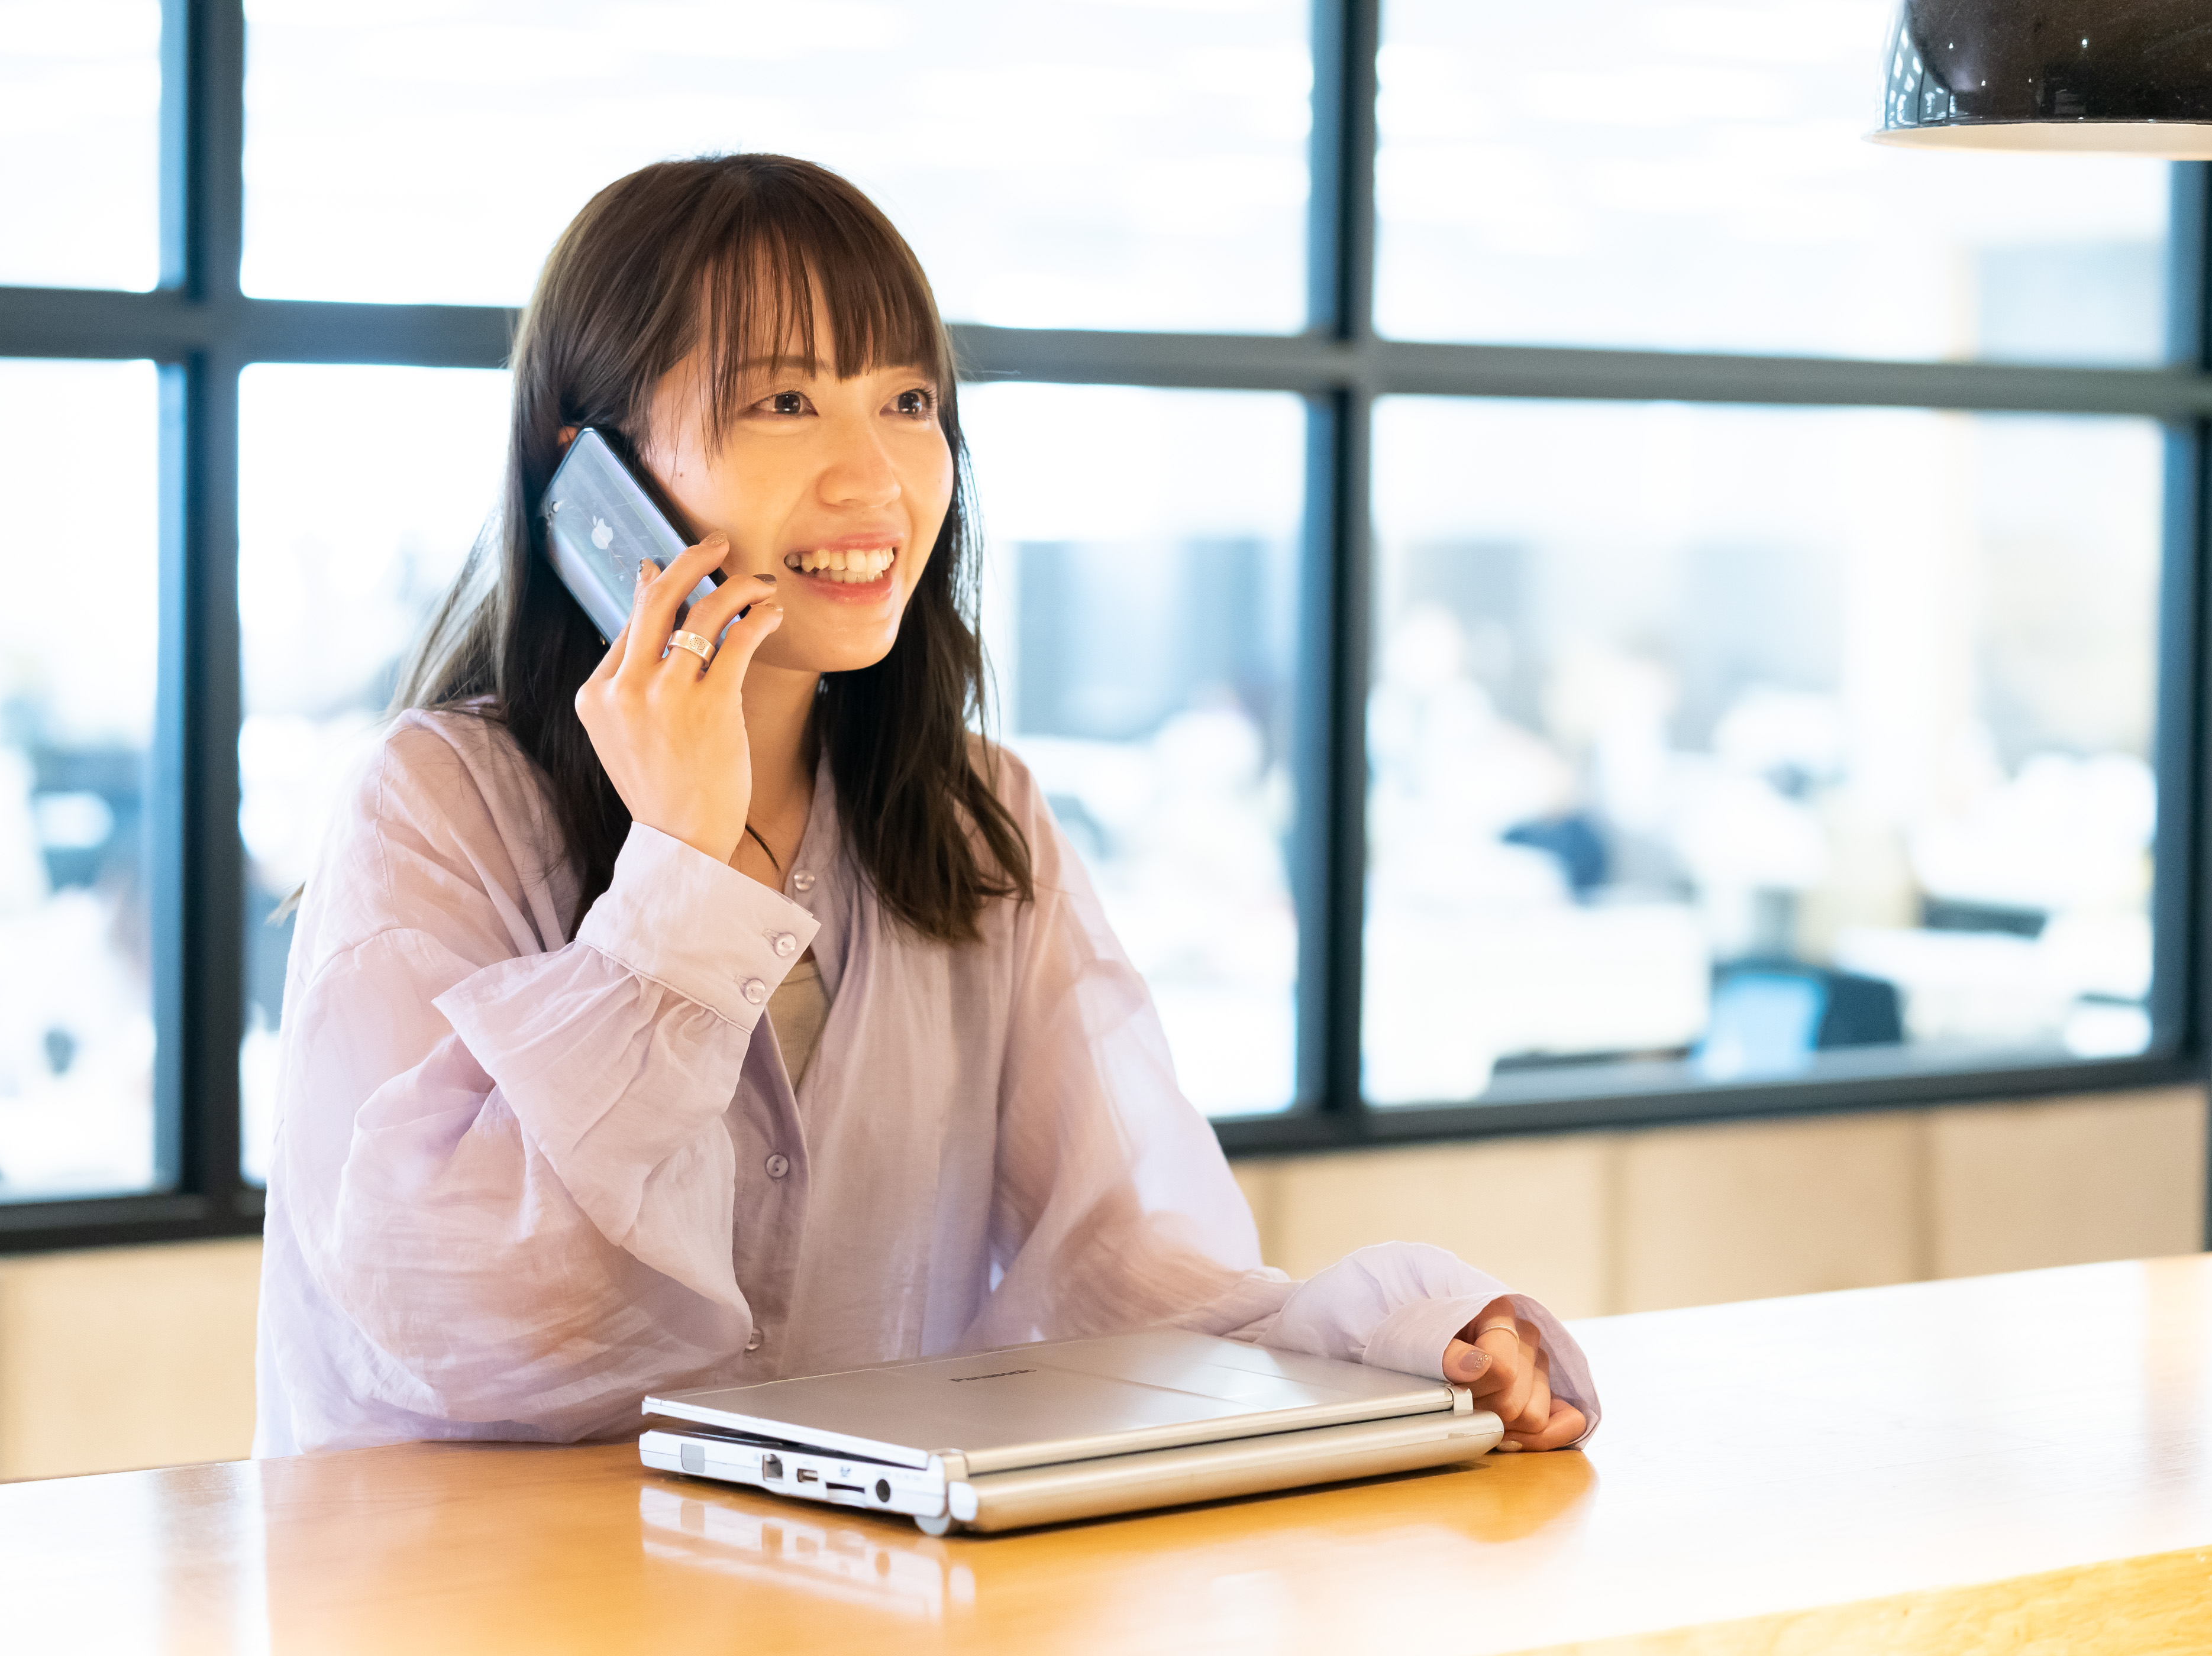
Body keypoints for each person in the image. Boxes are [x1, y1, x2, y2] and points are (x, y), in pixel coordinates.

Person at [253, 155, 1598, 1460]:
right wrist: (674, 873)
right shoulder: (437, 804)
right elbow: (465, 1326)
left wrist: (1420, 1343)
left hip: (850, 1599)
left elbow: (1135, 1273)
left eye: (905, 400)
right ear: (588, 470)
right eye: (783, 404)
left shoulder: (972, 817)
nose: (876, 480)